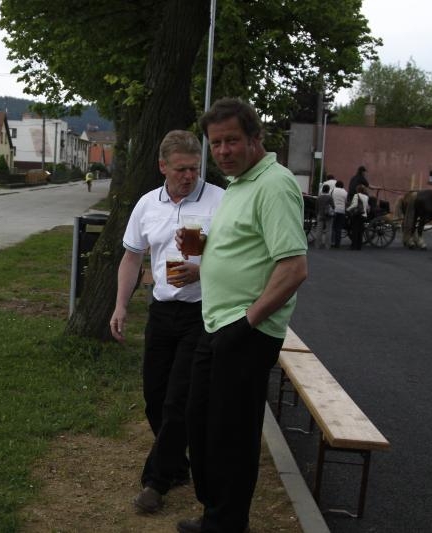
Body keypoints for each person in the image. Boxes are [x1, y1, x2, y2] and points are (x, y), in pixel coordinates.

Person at [175, 98, 307, 533]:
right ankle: (216, 514)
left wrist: (246, 322)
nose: (223, 151)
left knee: (230, 433)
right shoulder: (238, 185)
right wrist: (203, 256)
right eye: (216, 143)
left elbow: (293, 269)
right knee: (201, 424)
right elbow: (245, 249)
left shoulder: (274, 184)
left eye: (231, 140)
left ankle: (227, 523)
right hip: (217, 323)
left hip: (246, 330)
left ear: (255, 138)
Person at [109, 130, 224, 514]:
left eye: (194, 168)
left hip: (201, 313)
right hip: (161, 311)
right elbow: (132, 258)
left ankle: (155, 482)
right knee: (154, 399)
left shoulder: (219, 201)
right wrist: (120, 306)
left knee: (178, 401)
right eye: (181, 169)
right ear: (163, 166)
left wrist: (202, 270)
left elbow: (238, 258)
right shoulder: (147, 205)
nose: (189, 176)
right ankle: (178, 464)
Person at [347, 184, 369, 250]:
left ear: (357, 189)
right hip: (364, 215)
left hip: (357, 215)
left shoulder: (356, 195)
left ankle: (354, 246)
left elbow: (354, 205)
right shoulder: (366, 197)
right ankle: (359, 246)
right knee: (360, 231)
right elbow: (366, 207)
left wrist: (348, 209)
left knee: (355, 231)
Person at [315, 182, 334, 249]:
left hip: (320, 214)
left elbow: (316, 207)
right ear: (328, 190)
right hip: (328, 215)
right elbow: (333, 206)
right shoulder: (330, 197)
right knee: (328, 230)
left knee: (319, 230)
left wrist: (317, 213)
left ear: (322, 190)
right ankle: (327, 245)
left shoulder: (319, 197)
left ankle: (317, 244)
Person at [330, 180, 348, 248]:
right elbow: (346, 202)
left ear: (336, 185)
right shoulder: (345, 192)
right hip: (342, 211)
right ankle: (337, 243)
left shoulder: (333, 190)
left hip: (334, 210)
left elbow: (330, 199)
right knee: (339, 228)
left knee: (333, 227)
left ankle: (332, 242)